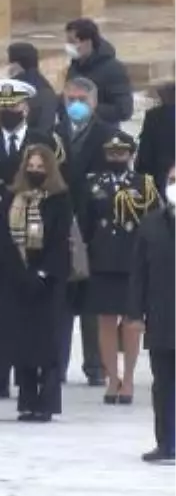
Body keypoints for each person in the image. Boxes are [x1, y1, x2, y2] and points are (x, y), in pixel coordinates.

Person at [0, 79, 63, 400]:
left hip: (33, 242)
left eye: (14, 107)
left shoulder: (43, 142)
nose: (7, 112)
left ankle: (34, 376)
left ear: (26, 108)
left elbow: (57, 187)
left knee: (31, 312)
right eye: (2, 107)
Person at [0, 145, 72, 422]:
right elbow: (3, 238)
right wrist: (20, 271)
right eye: (32, 167)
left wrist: (41, 272)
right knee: (22, 344)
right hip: (19, 278)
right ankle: (27, 400)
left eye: (40, 167)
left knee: (47, 344)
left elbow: (61, 240)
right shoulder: (13, 197)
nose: (35, 171)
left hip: (48, 281)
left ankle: (47, 402)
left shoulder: (59, 199)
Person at [82, 133, 161, 405]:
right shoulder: (93, 183)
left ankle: (127, 379)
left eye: (121, 153)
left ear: (131, 155)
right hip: (102, 259)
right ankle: (111, 378)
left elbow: (152, 223)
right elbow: (86, 223)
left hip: (131, 260)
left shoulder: (144, 184)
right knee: (104, 320)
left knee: (131, 322)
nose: (116, 157)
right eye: (111, 153)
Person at [57, 76, 114, 386]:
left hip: (94, 227)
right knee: (61, 301)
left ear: (93, 103)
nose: (75, 105)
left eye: (82, 99)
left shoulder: (109, 136)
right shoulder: (52, 135)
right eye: (71, 99)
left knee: (93, 302)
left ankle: (96, 366)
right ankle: (57, 363)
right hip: (61, 226)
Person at [126, 168, 176, 462]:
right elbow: (138, 274)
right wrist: (135, 312)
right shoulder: (151, 224)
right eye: (172, 181)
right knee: (163, 383)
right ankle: (166, 442)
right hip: (162, 316)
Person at [64, 18, 133, 128]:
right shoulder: (74, 67)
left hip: (103, 133)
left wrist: (90, 107)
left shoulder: (114, 69)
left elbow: (124, 111)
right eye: (67, 41)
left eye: (73, 42)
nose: (68, 46)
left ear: (88, 41)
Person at [7, 42, 61, 137]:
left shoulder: (19, 89)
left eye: (11, 63)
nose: (9, 67)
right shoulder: (44, 85)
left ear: (18, 64)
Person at [136, 83, 176, 197]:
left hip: (160, 177)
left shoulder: (154, 116)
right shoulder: (154, 116)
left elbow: (144, 157)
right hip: (161, 176)